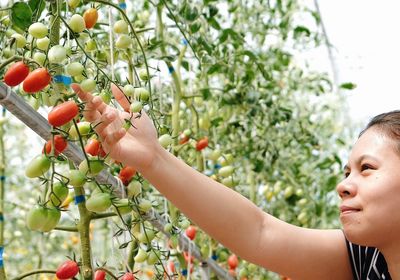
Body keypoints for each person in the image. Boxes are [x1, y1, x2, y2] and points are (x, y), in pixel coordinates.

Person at [71, 83, 399, 280]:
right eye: (346, 173)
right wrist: (153, 158)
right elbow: (258, 233)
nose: (343, 186)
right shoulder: (367, 261)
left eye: (367, 168)